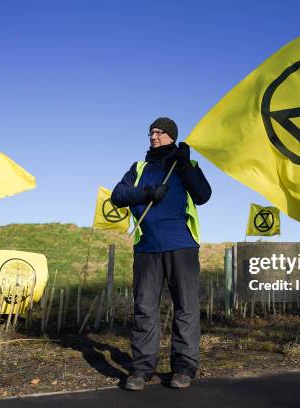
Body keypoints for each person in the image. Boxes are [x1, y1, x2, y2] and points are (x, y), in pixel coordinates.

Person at [111, 117, 211, 390]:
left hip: (182, 245)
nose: (154, 136)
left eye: (160, 132)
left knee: (186, 308)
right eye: (151, 132)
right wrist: (147, 193)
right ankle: (142, 370)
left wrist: (185, 164)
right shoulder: (139, 168)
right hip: (147, 248)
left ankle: (184, 368)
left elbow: (203, 195)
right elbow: (118, 195)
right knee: (144, 309)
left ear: (172, 136)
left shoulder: (184, 166)